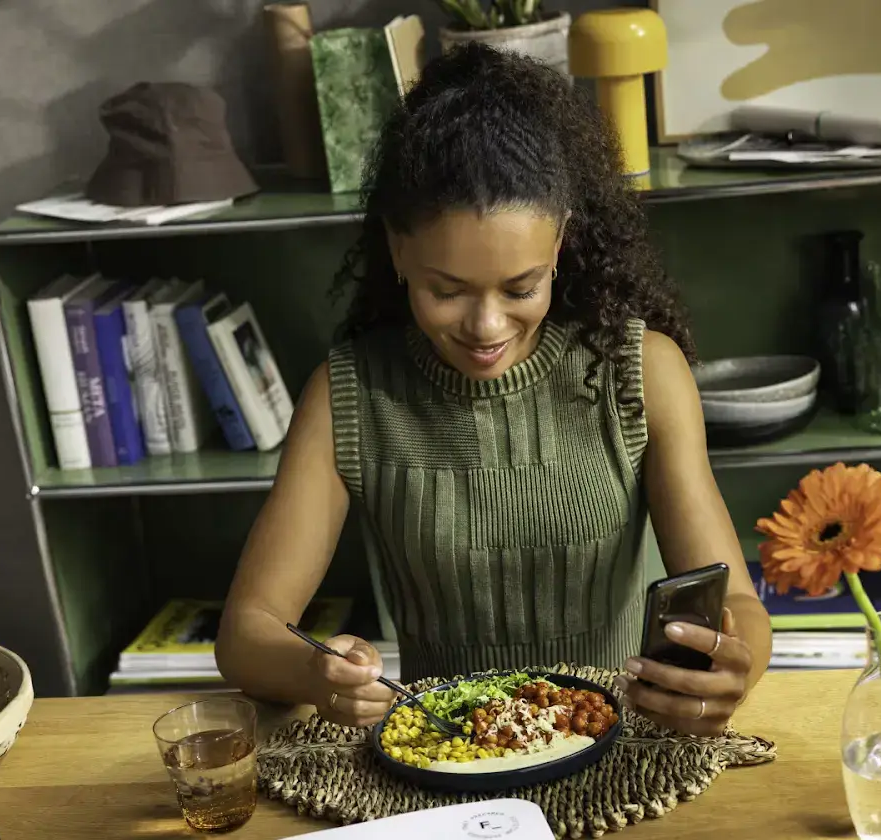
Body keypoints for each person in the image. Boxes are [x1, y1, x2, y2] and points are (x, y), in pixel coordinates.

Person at [216, 42, 771, 737]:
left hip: (618, 749)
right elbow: (245, 633)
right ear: (396, 249)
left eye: (521, 288)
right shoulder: (348, 395)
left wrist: (732, 667)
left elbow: (740, 608)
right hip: (448, 757)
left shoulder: (641, 373)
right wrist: (316, 674)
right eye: (446, 290)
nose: (485, 326)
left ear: (561, 242)